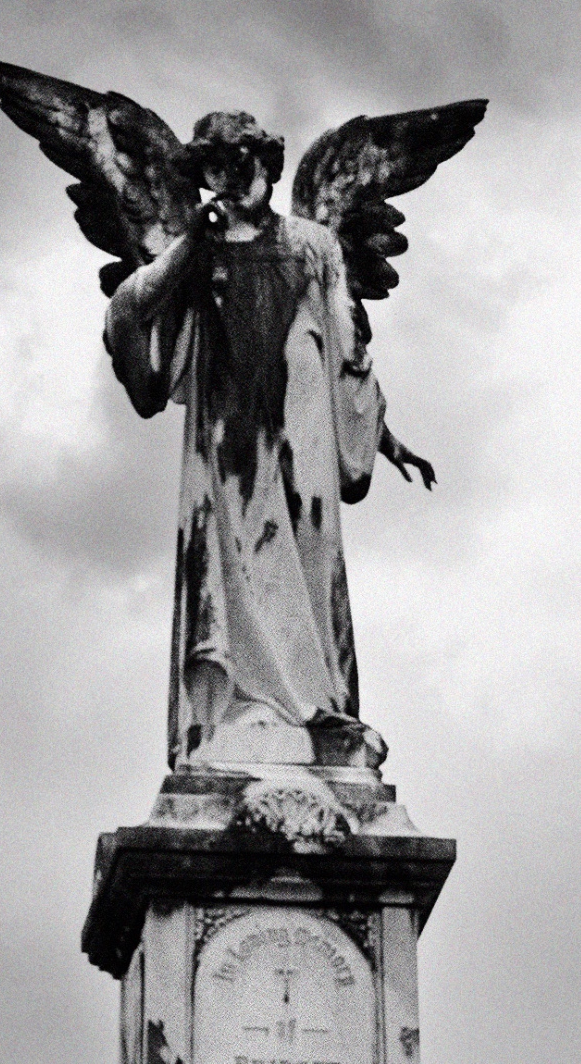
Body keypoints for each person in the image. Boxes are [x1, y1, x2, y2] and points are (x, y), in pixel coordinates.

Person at [104, 110, 435, 771]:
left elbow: (348, 348)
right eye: (211, 169)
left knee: (309, 561)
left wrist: (378, 431)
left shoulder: (314, 243)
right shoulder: (195, 251)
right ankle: (240, 711)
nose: (224, 179)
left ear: (263, 162)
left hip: (304, 420)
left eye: (235, 162)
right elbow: (128, 312)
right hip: (230, 432)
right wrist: (191, 245)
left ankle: (318, 712)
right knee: (238, 563)